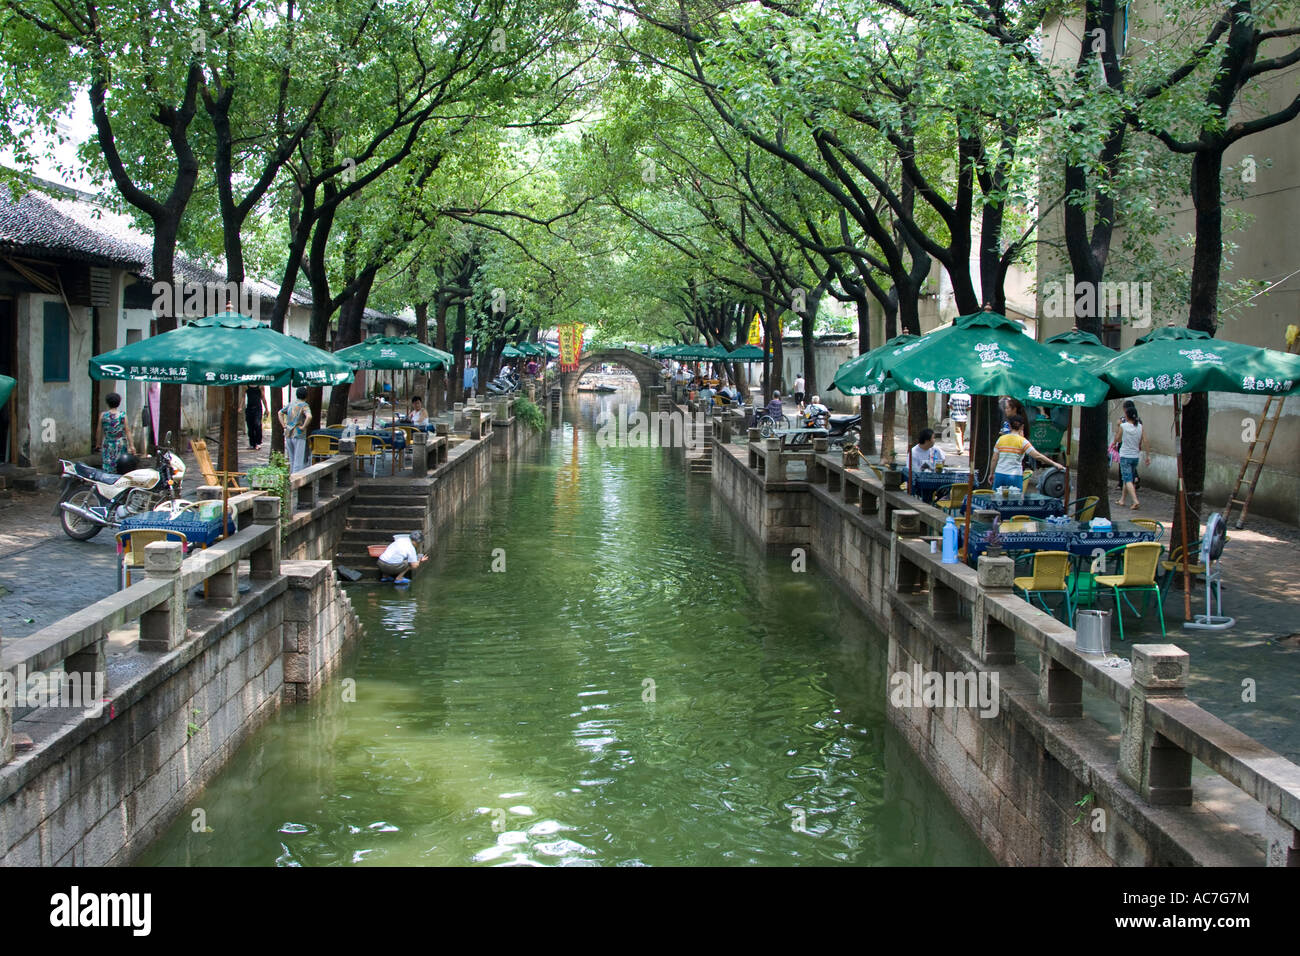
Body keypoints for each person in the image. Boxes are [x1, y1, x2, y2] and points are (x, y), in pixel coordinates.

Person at [986, 414, 1057, 491]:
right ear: (1022, 427)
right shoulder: (1023, 442)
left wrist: (991, 473)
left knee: (997, 500)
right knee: (1015, 501)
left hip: (1000, 474)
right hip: (1015, 476)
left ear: (1009, 426)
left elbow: (994, 459)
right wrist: (1055, 464)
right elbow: (1037, 456)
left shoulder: (1000, 439)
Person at [1113, 400, 1150, 510]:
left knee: (1128, 479)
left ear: (1127, 415)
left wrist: (1118, 430)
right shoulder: (1140, 426)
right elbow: (1146, 441)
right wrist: (1148, 456)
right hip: (1135, 456)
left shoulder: (1123, 426)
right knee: (1127, 477)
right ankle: (1122, 500)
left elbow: (1118, 439)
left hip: (1125, 456)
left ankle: (1135, 501)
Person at [97, 392, 136, 473]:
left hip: (108, 443)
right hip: (120, 443)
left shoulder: (103, 415)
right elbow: (127, 430)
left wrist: (98, 444)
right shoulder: (122, 415)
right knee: (121, 464)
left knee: (108, 464)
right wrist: (132, 445)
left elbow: (99, 431)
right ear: (119, 403)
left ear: (107, 402)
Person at [279, 387, 313, 473]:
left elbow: (280, 413)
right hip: (299, 434)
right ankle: (296, 482)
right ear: (306, 396)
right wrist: (303, 426)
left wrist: (284, 425)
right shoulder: (304, 405)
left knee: (292, 460)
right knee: (298, 461)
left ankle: (291, 480)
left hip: (288, 434)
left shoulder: (291, 404)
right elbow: (309, 416)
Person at [245, 385, 269, 450]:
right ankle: (252, 443)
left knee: (257, 425)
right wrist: (240, 406)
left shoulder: (260, 386)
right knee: (250, 426)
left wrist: (266, 409)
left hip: (257, 407)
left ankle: (258, 443)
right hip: (249, 407)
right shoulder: (246, 385)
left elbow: (263, 397)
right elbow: (242, 396)